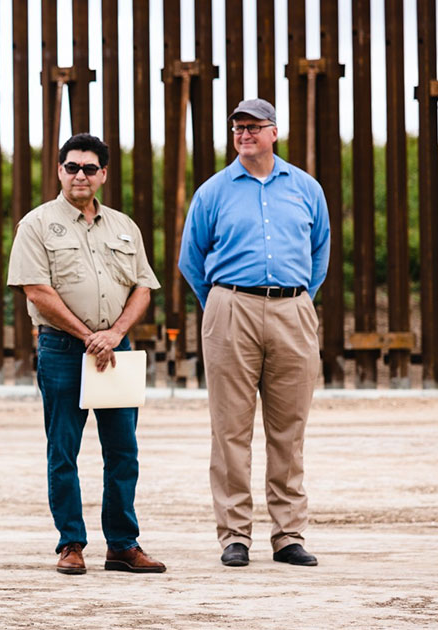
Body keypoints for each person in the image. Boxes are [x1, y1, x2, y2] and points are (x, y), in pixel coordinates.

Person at [178, 98, 329, 568]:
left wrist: (297, 298)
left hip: (292, 306)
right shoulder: (213, 192)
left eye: (253, 127)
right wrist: (223, 304)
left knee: (289, 428)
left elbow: (319, 252)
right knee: (230, 429)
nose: (244, 134)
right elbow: (191, 259)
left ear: (274, 132)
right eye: (238, 128)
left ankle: (288, 535)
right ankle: (234, 536)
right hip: (229, 307)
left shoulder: (306, 188)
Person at [7, 133, 165, 575]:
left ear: (103, 175)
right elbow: (36, 290)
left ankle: (123, 544)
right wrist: (88, 335)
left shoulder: (123, 226)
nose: (80, 175)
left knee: (123, 451)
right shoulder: (36, 224)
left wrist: (114, 333)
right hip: (62, 349)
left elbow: (143, 287)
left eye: (89, 168)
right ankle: (71, 544)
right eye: (72, 167)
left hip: (116, 350)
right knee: (64, 451)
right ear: (59, 171)